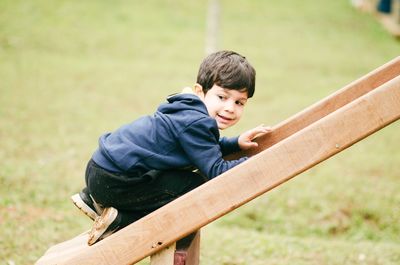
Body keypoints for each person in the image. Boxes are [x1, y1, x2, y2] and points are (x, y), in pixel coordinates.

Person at [71, 50, 271, 245]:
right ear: (200, 91)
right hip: (116, 181)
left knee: (176, 179)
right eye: (222, 97)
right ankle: (121, 221)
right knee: (195, 187)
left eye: (239, 102)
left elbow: (202, 148)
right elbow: (216, 170)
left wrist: (235, 143)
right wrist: (257, 162)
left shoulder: (187, 111)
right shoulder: (197, 123)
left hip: (101, 170)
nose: (230, 107)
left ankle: (94, 200)